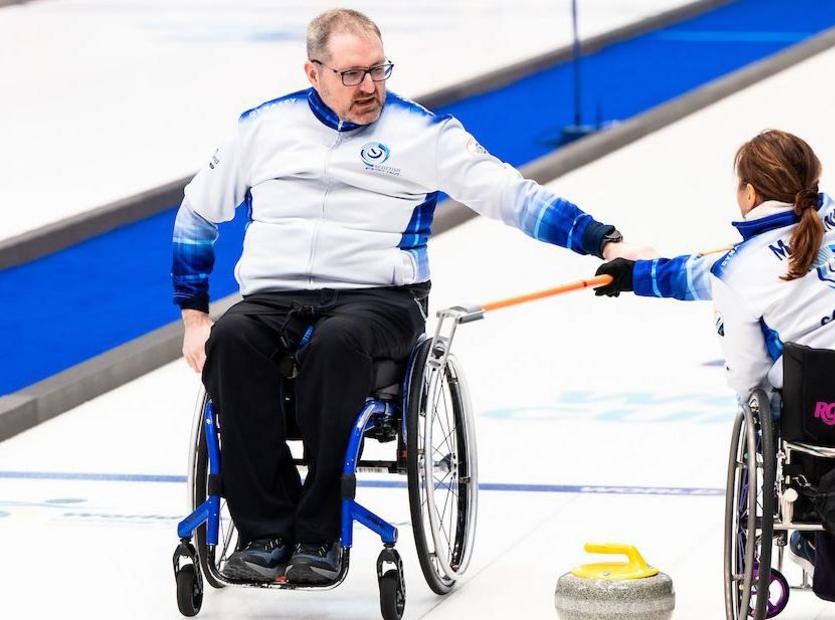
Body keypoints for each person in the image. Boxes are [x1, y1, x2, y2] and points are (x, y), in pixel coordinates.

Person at [171, 8, 652, 584]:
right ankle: (266, 531)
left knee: (336, 343)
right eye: (352, 74)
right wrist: (195, 317)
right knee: (233, 339)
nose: (370, 86)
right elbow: (197, 214)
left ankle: (320, 537)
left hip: (378, 299)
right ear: (313, 72)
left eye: (379, 69)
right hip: (274, 296)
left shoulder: (421, 134)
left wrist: (601, 240)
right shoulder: (262, 129)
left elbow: (509, 194)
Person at [593, 128, 835, 572]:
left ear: (748, 193)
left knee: (757, 397)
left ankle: (807, 529)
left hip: (829, 418)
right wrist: (641, 275)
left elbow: (747, 376)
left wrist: (637, 277)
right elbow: (722, 270)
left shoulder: (740, 268)